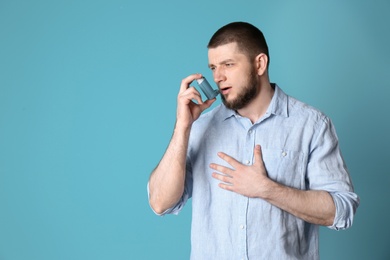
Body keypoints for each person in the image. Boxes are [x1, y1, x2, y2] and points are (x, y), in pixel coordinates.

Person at [147, 21, 359, 259]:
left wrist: (267, 189)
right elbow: (160, 203)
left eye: (228, 64)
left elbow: (341, 210)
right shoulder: (201, 127)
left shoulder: (311, 125)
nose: (218, 76)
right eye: (213, 67)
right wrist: (183, 126)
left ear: (259, 64)